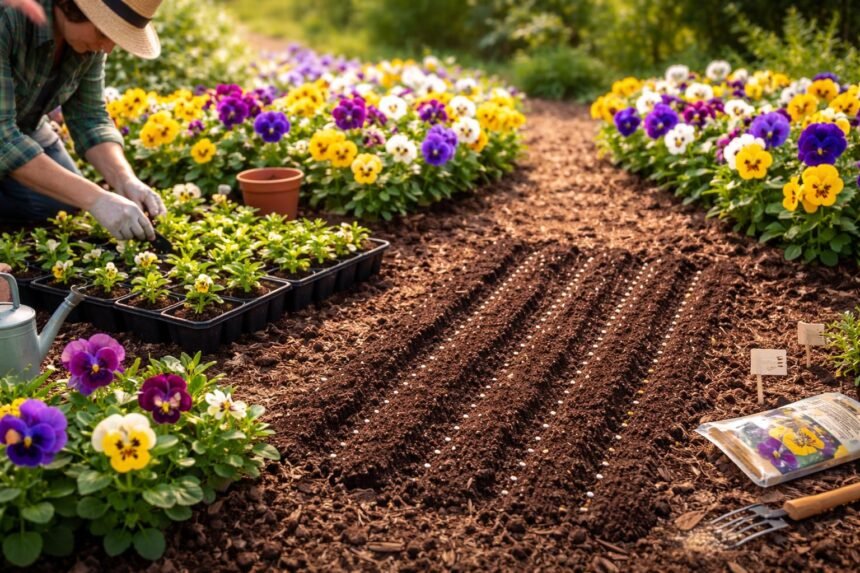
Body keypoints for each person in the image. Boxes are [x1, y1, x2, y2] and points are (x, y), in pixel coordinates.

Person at [1, 0, 166, 301]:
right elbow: (2, 138)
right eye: (106, 32)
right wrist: (97, 198)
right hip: (5, 131)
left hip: (24, 125)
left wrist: (124, 180)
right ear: (69, 4)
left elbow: (90, 115)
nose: (108, 48)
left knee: (56, 207)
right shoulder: (9, 16)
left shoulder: (89, 41)